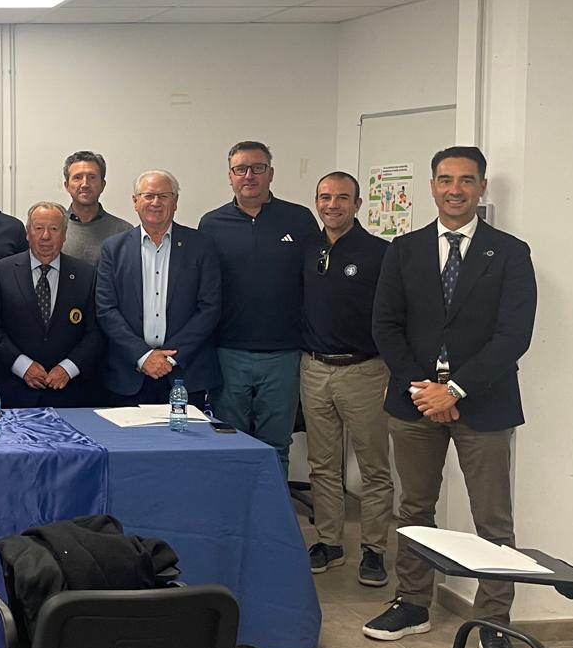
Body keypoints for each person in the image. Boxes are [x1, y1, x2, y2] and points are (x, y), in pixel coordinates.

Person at [363, 147, 537, 648]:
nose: (454, 189)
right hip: (414, 401)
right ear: (432, 186)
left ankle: (494, 622)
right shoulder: (404, 250)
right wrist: (424, 389)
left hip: (483, 402)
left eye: (466, 180)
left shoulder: (510, 253)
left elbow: (513, 336)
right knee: (414, 509)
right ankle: (413, 602)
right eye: (445, 179)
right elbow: (385, 325)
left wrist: (455, 390)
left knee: (493, 519)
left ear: (482, 187)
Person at [198, 140, 318, 476]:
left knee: (276, 445)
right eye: (241, 169)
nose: (249, 175)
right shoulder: (211, 224)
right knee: (228, 442)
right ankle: (233, 508)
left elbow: (315, 282)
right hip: (228, 353)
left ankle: (272, 509)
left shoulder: (299, 219)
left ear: (271, 173)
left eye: (258, 168)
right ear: (230, 176)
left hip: (283, 354)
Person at [300, 171, 394, 587]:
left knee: (373, 466)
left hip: (365, 371)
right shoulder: (308, 249)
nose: (332, 205)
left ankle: (374, 549)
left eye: (342, 198)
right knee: (323, 465)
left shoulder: (380, 253)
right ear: (317, 202)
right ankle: (329, 542)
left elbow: (394, 315)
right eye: (325, 197)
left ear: (357, 204)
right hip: (314, 368)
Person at [95, 170, 220, 408]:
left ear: (175, 202)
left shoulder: (201, 246)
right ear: (135, 201)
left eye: (164, 196)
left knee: (186, 434)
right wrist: (143, 356)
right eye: (149, 196)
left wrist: (170, 359)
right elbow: (106, 309)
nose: (156, 202)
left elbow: (209, 309)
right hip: (129, 373)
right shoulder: (114, 248)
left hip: (185, 374)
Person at [0, 201, 103, 409]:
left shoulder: (87, 275)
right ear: (28, 233)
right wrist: (22, 366)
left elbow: (96, 332)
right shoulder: (0, 272)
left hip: (70, 393)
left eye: (54, 229)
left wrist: (68, 369)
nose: (45, 236)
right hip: (15, 391)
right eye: (38, 228)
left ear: (64, 235)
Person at [61, 150, 132, 267]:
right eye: (77, 177)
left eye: (92, 177)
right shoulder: (53, 229)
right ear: (67, 186)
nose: (85, 184)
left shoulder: (123, 231)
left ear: (102, 185)